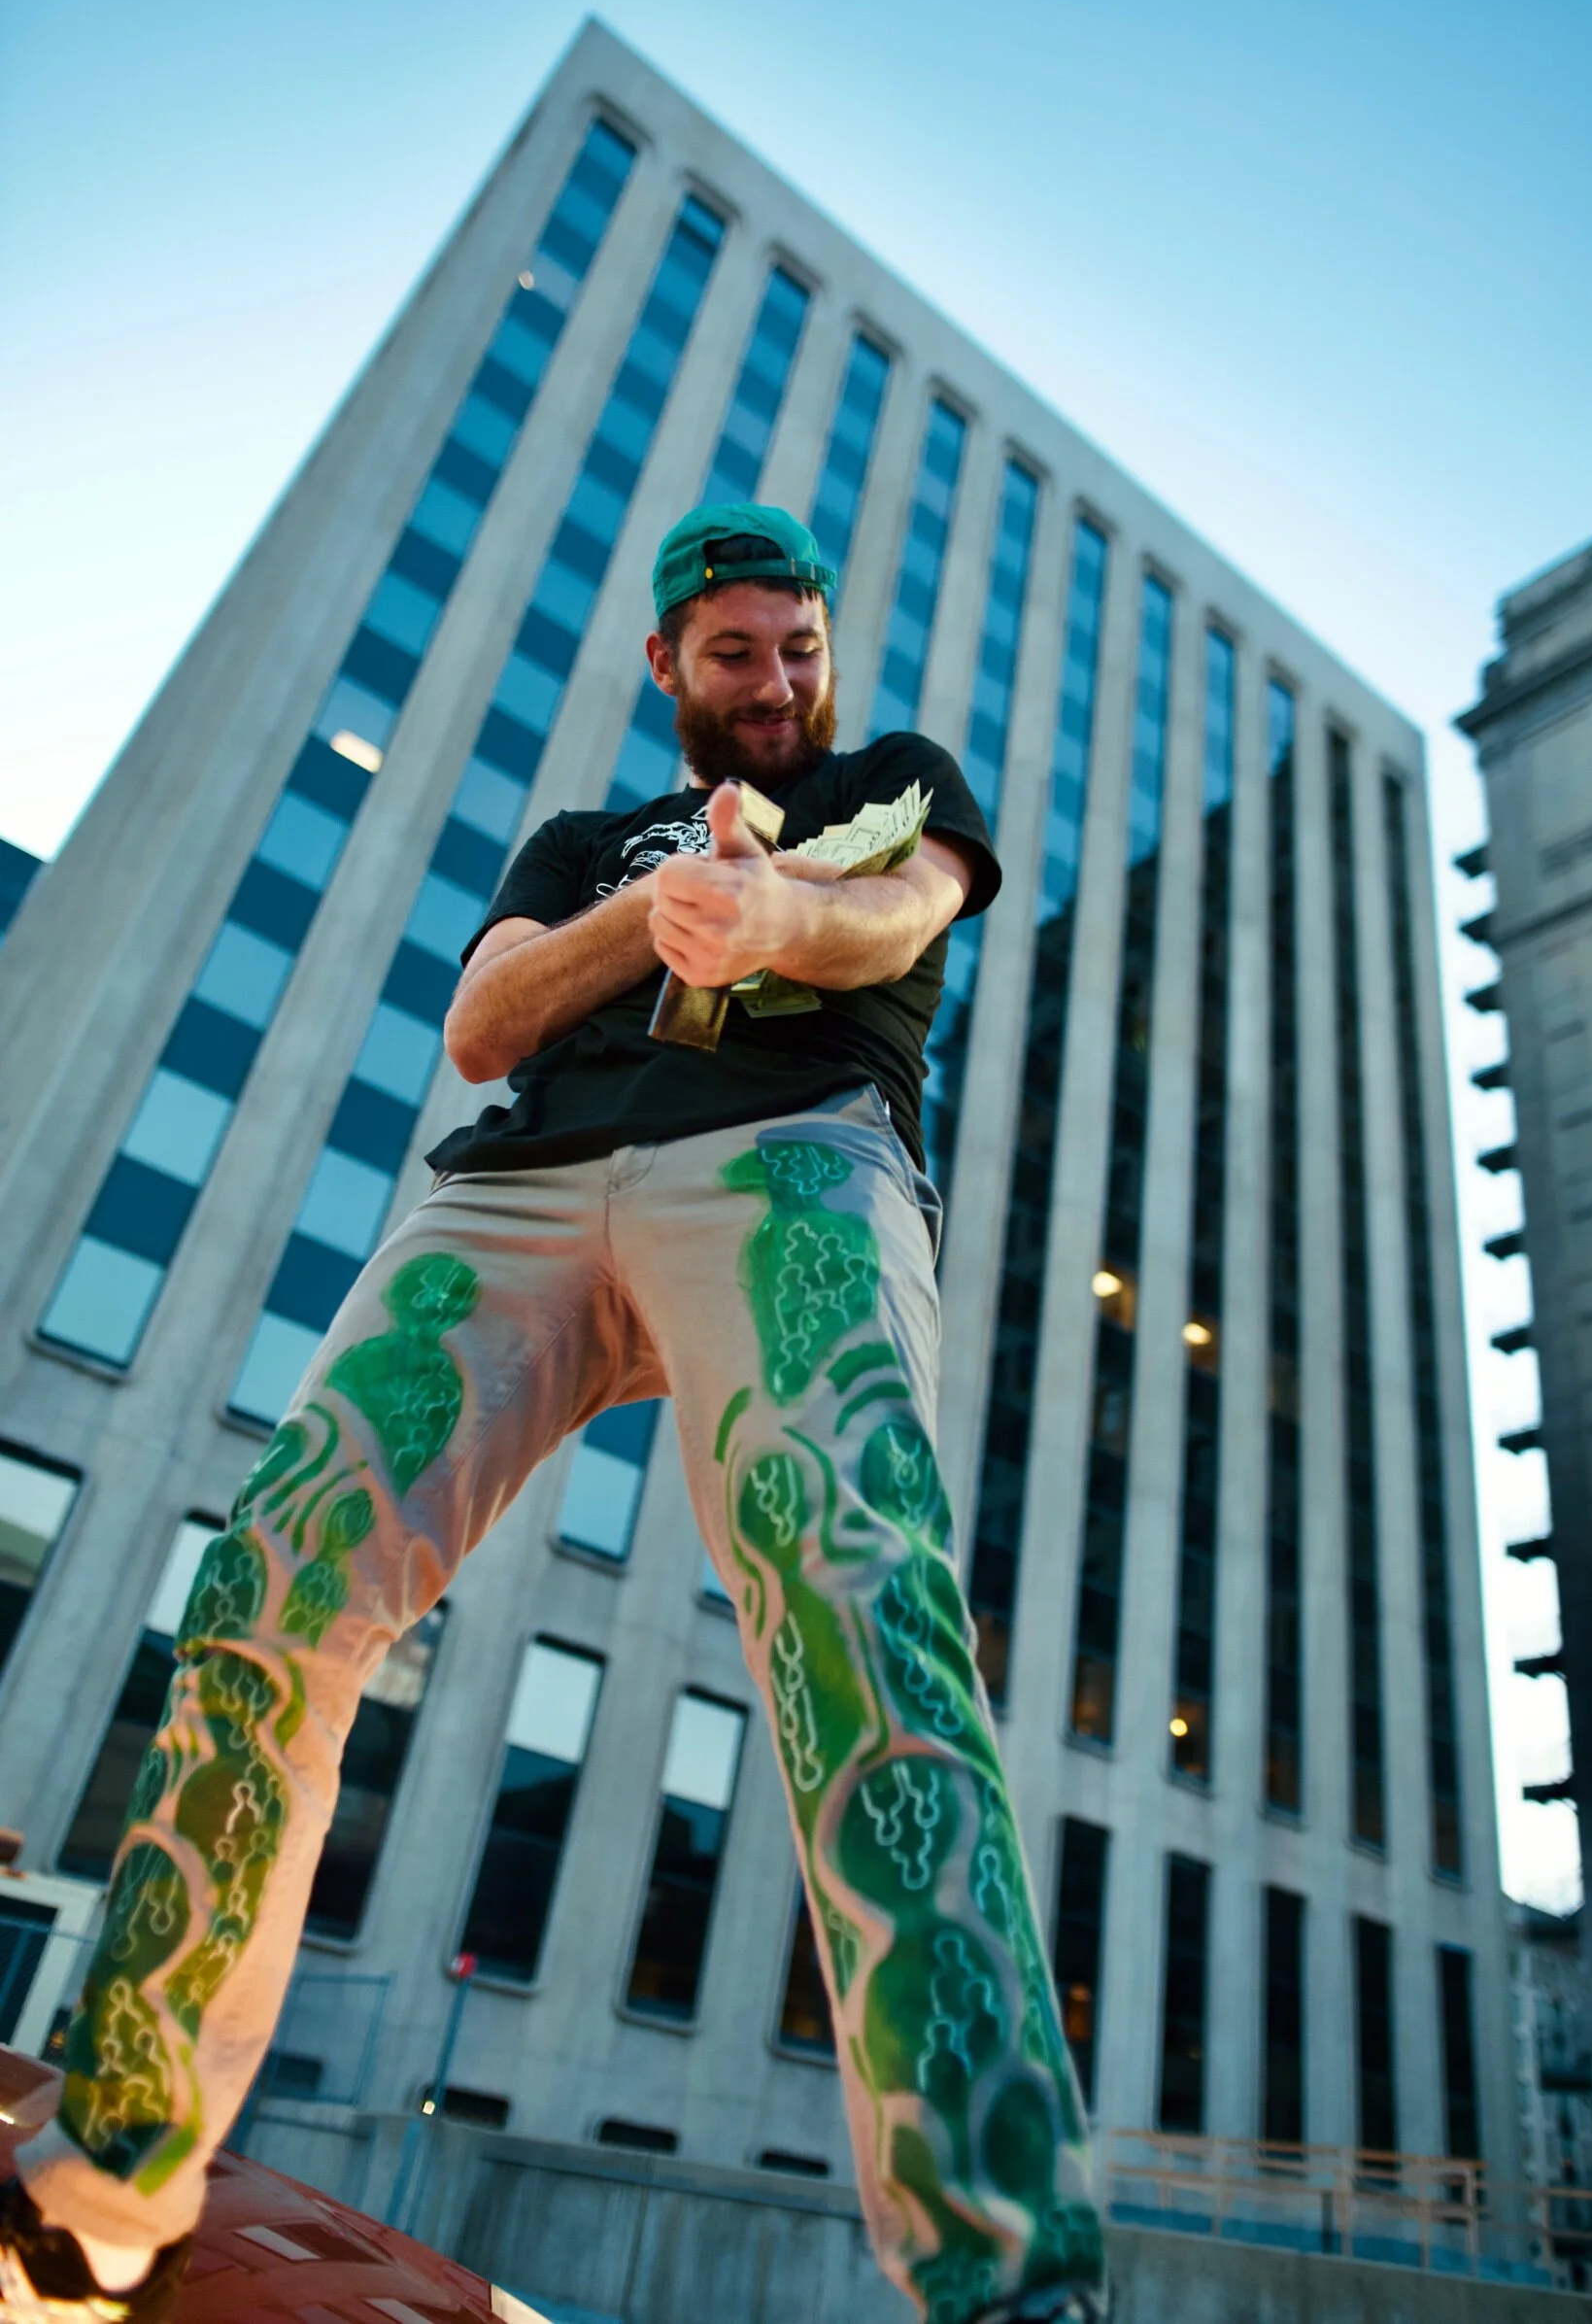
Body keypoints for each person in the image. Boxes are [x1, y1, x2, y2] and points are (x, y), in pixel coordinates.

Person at [1, 505, 1107, 2324]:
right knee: (271, 1587)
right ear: (667, 664)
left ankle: (1008, 2276)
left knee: (862, 1609)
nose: (774, 683)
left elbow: (904, 913)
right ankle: (112, 2180)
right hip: (514, 1194)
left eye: (799, 647)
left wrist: (775, 908)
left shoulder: (892, 778)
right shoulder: (583, 836)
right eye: (735, 652)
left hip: (787, 1168)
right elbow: (487, 1023)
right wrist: (646, 911)